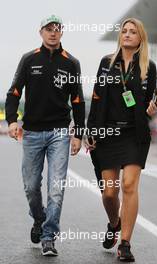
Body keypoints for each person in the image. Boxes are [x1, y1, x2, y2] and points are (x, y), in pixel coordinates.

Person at [5, 15, 85, 256]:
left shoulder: (71, 62)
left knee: (56, 187)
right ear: (40, 32)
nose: (53, 33)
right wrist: (11, 121)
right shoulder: (29, 59)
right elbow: (14, 92)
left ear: (62, 33)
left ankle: (49, 236)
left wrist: (78, 134)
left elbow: (78, 101)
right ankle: (39, 219)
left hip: (59, 132)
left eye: (57, 29)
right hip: (31, 132)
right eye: (48, 29)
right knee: (31, 186)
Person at [86, 18, 157, 262]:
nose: (127, 35)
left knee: (129, 185)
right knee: (109, 193)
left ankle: (125, 244)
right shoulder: (106, 63)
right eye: (124, 31)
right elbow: (97, 98)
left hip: (134, 134)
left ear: (140, 38)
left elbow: (151, 98)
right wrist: (91, 130)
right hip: (108, 133)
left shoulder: (149, 66)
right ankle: (114, 223)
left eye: (132, 32)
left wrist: (152, 108)